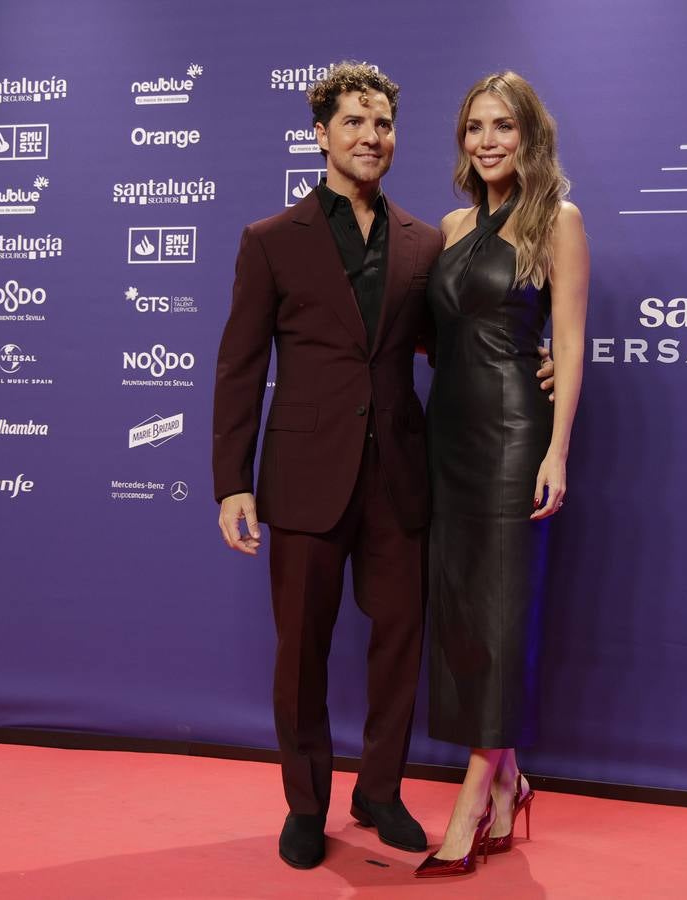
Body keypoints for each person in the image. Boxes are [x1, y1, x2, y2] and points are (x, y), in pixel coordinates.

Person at [211, 63, 553, 871]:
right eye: (355, 123)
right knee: (300, 650)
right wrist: (231, 479)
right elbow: (237, 365)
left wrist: (535, 356)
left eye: (383, 125)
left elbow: (457, 333)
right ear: (321, 134)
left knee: (400, 641)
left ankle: (379, 792)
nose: (371, 138)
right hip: (301, 476)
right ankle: (306, 803)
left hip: (402, 473)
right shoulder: (269, 241)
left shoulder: (424, 240)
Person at [414, 72, 589, 878]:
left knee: (498, 611)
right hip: (446, 438)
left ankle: (473, 795)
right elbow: (435, 337)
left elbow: (570, 338)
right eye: (474, 127)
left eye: (503, 127)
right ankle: (511, 775)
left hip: (516, 434)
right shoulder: (450, 225)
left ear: (529, 137)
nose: (486, 141)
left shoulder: (557, 220)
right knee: (460, 611)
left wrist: (555, 450)